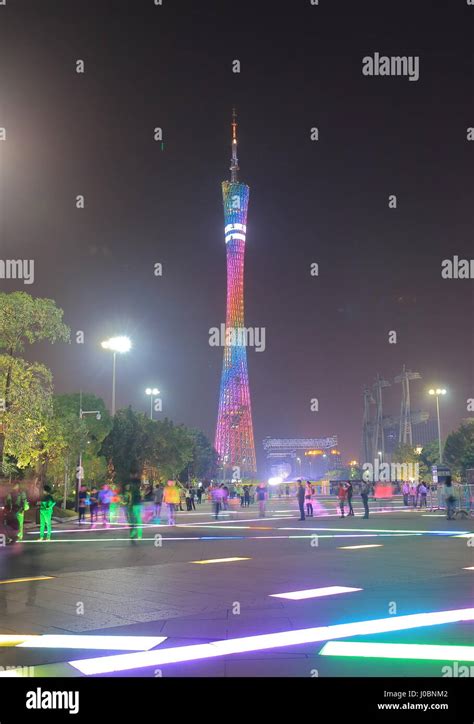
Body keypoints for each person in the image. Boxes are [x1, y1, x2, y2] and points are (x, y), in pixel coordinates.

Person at [124, 474, 143, 540]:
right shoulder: (138, 490)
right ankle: (139, 534)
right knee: (137, 519)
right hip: (138, 505)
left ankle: (134, 532)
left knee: (133, 519)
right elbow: (141, 497)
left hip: (133, 505)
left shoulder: (132, 490)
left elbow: (129, 499)